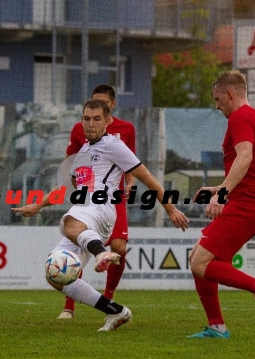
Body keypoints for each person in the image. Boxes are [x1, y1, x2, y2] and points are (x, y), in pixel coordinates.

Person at [13, 99, 189, 331]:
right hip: (86, 211)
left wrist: (171, 208)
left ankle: (101, 254)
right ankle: (116, 311)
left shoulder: (113, 145)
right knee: (54, 274)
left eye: (96, 119)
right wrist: (38, 206)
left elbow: (147, 177)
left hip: (102, 208)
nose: (90, 124)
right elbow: (67, 184)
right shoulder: (85, 150)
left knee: (69, 222)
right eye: (86, 119)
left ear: (107, 121)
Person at [187, 70, 255, 338]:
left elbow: (244, 157)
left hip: (248, 203)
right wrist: (218, 188)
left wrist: (222, 194)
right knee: (198, 257)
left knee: (199, 262)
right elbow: (250, 166)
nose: (217, 106)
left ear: (230, 94)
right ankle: (217, 326)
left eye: (218, 99)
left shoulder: (240, 116)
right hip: (254, 201)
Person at [58, 84, 136, 319]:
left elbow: (131, 161)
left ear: (111, 108)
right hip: (88, 196)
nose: (91, 122)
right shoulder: (80, 130)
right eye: (88, 116)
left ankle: (109, 296)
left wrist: (130, 182)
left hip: (114, 197)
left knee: (119, 248)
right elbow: (72, 160)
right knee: (73, 247)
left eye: (98, 113)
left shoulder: (125, 131)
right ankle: (69, 305)